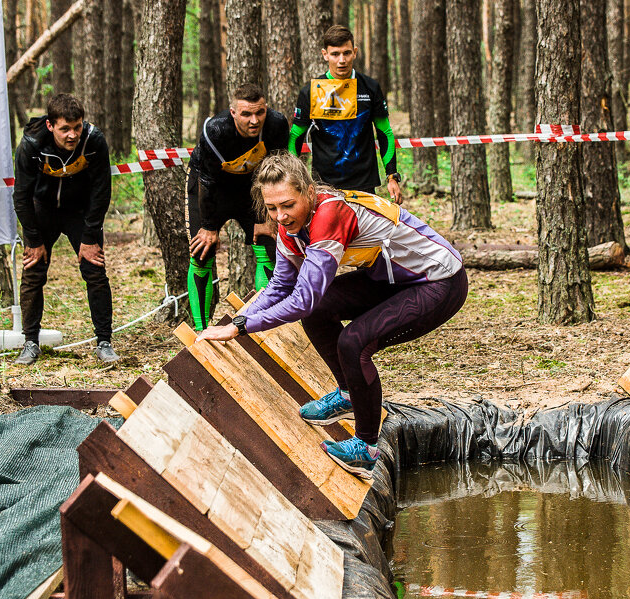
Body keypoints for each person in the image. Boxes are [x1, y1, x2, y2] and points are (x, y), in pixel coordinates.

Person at [197, 153, 467, 480]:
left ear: (309, 193)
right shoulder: (291, 226)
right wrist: (232, 323)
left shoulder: (329, 214)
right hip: (390, 277)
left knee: (354, 342)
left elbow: (303, 299)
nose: (280, 216)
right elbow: (281, 285)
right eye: (271, 208)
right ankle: (349, 395)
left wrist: (240, 327)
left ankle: (365, 450)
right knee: (322, 309)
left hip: (439, 281)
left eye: (287, 205)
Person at [12, 93, 120, 365]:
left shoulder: (94, 140)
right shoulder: (31, 143)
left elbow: (101, 191)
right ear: (50, 125)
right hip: (41, 209)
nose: (72, 135)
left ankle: (104, 341)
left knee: (95, 270)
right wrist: (33, 238)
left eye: (77, 127)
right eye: (65, 129)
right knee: (33, 272)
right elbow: (21, 195)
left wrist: (90, 236)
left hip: (80, 212)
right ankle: (30, 342)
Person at [187, 83, 290, 331]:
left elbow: (276, 172)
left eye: (260, 112)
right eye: (246, 114)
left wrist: (269, 215)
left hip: (253, 189)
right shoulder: (216, 129)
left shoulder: (277, 124)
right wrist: (209, 227)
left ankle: (263, 325)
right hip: (210, 189)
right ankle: (202, 331)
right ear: (233, 113)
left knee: (267, 245)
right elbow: (207, 183)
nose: (254, 121)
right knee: (202, 252)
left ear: (266, 109)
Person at [288, 25, 403, 204]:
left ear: (355, 52)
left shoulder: (370, 87)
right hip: (323, 185)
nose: (341, 60)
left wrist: (392, 176)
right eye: (335, 54)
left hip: (364, 183)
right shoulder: (310, 91)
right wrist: (292, 178)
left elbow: (384, 132)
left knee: (364, 233)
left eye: (346, 53)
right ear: (325, 54)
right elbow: (296, 135)